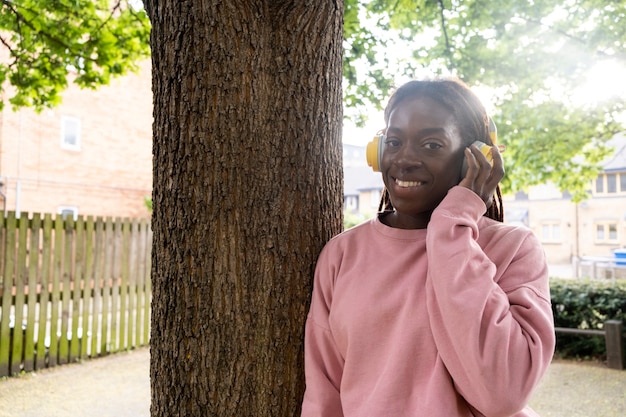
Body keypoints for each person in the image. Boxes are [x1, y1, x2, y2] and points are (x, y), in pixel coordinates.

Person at [301, 78, 555, 417]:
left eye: (432, 145)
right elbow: (324, 392)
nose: (404, 159)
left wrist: (453, 227)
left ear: (475, 160)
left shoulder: (512, 248)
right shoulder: (342, 254)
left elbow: (503, 393)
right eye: (393, 141)